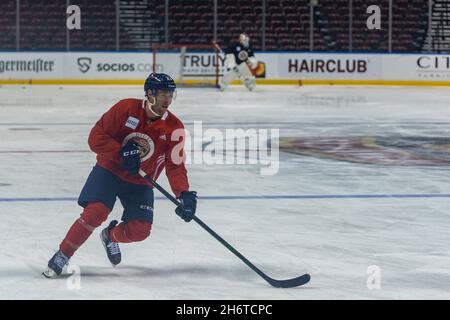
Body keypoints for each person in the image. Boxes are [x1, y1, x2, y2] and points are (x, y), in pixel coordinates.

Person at [43, 73, 198, 278]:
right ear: (149, 94)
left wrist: (184, 194)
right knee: (95, 212)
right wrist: (120, 152)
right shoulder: (126, 108)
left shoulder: (175, 128)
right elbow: (95, 137)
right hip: (110, 171)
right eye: (163, 94)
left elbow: (175, 166)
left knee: (140, 230)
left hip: (141, 180)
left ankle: (110, 236)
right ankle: (63, 254)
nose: (167, 100)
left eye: (170, 95)